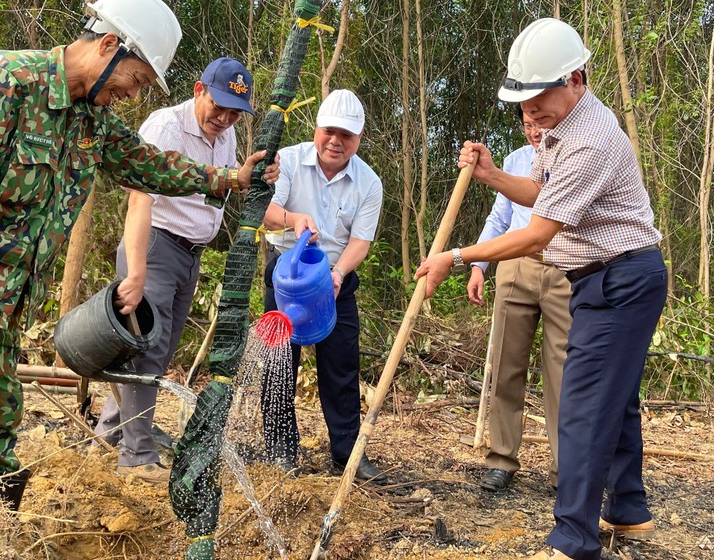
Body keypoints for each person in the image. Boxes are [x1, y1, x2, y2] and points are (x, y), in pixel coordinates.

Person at [0, 0, 270, 508]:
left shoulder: (90, 122)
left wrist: (230, 178)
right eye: (137, 79)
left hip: (4, 305)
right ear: (107, 46)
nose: (133, 94)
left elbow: (151, 167)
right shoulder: (2, 81)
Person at [416, 18, 667, 560]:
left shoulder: (591, 139)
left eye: (538, 99)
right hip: (604, 276)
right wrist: (491, 176)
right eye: (522, 104)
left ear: (577, 78)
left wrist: (456, 256)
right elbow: (539, 194)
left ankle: (573, 538)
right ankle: (628, 512)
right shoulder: (564, 127)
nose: (529, 115)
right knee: (615, 400)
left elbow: (537, 232)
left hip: (621, 278)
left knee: (583, 407)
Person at [93, 57, 279, 483]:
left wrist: (259, 180)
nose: (225, 118)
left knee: (151, 350)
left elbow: (225, 191)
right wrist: (136, 270)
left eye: (235, 111)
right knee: (146, 350)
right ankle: (137, 457)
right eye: (219, 105)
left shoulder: (227, 135)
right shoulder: (166, 127)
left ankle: (109, 434)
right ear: (199, 90)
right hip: (155, 245)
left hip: (189, 254)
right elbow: (139, 197)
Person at [261, 90, 386, 482]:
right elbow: (266, 213)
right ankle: (281, 448)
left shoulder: (368, 182)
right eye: (329, 131)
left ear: (358, 139)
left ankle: (346, 453)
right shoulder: (290, 162)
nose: (335, 141)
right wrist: (294, 219)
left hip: (335, 281)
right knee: (280, 364)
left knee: (341, 367)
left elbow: (360, 242)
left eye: (346, 135)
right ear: (316, 129)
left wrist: (337, 275)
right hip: (287, 276)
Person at [469, 106, 571, 492]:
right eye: (526, 124)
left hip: (566, 268)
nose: (533, 131)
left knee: (562, 373)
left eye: (538, 123)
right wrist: (478, 264)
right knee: (505, 363)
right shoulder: (514, 161)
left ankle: (567, 469)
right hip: (515, 266)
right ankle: (501, 459)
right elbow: (498, 219)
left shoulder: (575, 155)